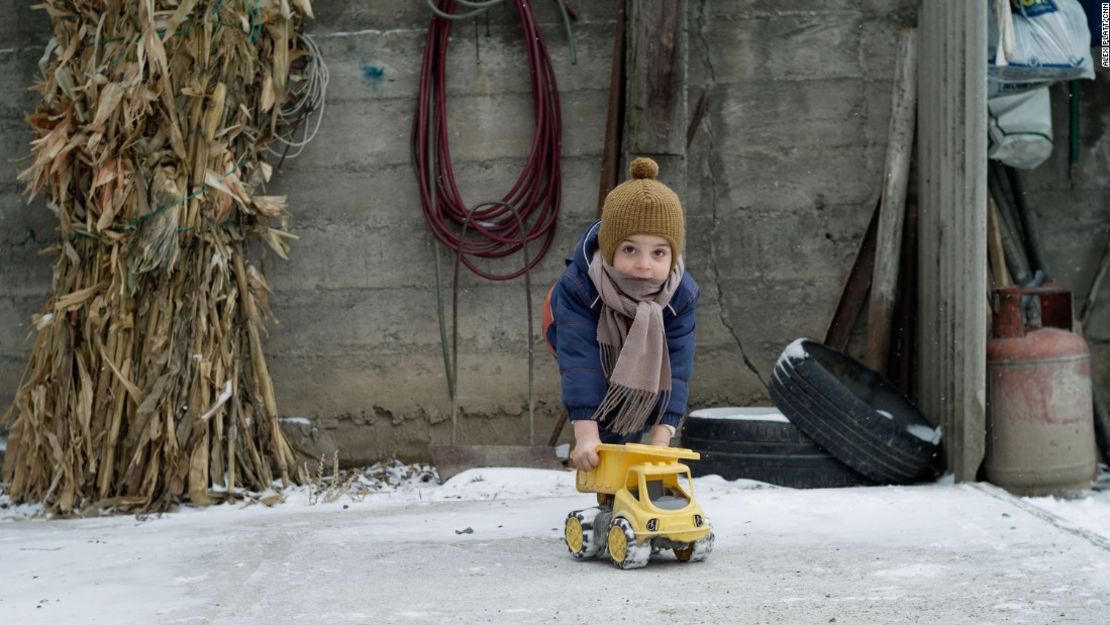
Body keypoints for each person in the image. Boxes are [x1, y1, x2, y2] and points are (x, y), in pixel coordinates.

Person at [542, 157, 699, 472]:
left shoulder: (681, 295)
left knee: (637, 408)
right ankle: (601, 444)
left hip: (641, 339)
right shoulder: (580, 286)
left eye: (658, 253)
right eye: (630, 250)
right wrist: (586, 434)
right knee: (601, 395)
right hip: (571, 329)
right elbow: (580, 362)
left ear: (673, 255)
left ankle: (626, 441)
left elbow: (677, 366)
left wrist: (661, 440)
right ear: (610, 247)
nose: (644, 265)